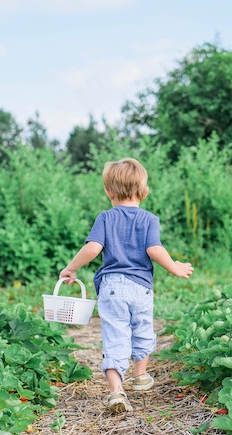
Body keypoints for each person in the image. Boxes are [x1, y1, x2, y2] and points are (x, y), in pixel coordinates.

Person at [59, 157, 194, 414]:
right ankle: (140, 375)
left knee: (115, 336)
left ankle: (116, 391)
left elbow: (93, 248)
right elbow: (154, 249)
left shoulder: (106, 218)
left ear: (109, 192)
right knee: (143, 329)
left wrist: (72, 267)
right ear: (144, 191)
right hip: (141, 287)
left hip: (111, 287)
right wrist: (175, 267)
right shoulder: (149, 219)